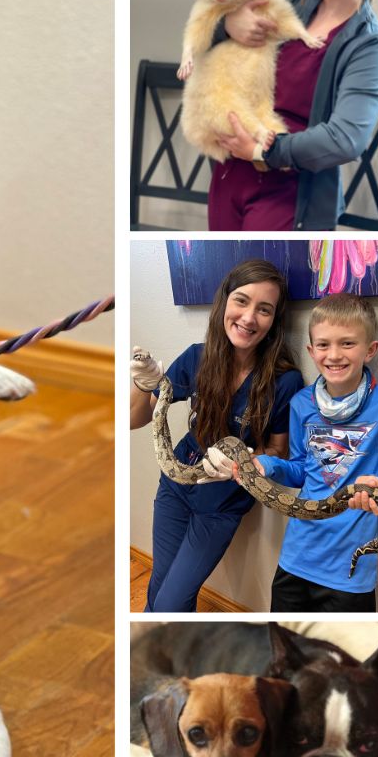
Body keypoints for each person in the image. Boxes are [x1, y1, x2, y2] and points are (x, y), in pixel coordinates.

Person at [130, 258, 304, 612]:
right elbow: (134, 419)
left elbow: (278, 451)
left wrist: (246, 463)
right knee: (159, 588)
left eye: (264, 309)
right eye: (241, 300)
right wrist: (142, 383)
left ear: (274, 322)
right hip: (175, 486)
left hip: (223, 504)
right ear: (224, 301)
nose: (249, 317)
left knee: (171, 601)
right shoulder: (197, 357)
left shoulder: (285, 382)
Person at [207, 0, 378, 232]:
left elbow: (346, 138)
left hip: (291, 188)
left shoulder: (369, 43)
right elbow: (208, 33)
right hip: (229, 173)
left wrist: (264, 152)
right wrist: (229, 25)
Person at [233, 293, 378, 611]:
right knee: (285, 647)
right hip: (297, 557)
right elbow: (303, 468)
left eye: (347, 343)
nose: (334, 355)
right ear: (311, 351)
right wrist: (268, 465)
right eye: (324, 344)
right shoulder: (302, 402)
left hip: (349, 573)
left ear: (370, 350)